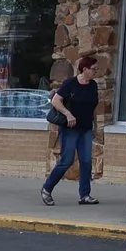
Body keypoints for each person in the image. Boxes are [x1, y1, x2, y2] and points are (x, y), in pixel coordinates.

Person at [40, 53, 102, 208]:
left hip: (86, 128)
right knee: (66, 161)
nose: (96, 71)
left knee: (86, 161)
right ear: (85, 69)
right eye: (93, 69)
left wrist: (95, 125)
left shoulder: (93, 85)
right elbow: (56, 100)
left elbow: (93, 107)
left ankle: (85, 195)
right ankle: (47, 189)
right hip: (70, 129)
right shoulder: (70, 84)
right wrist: (68, 115)